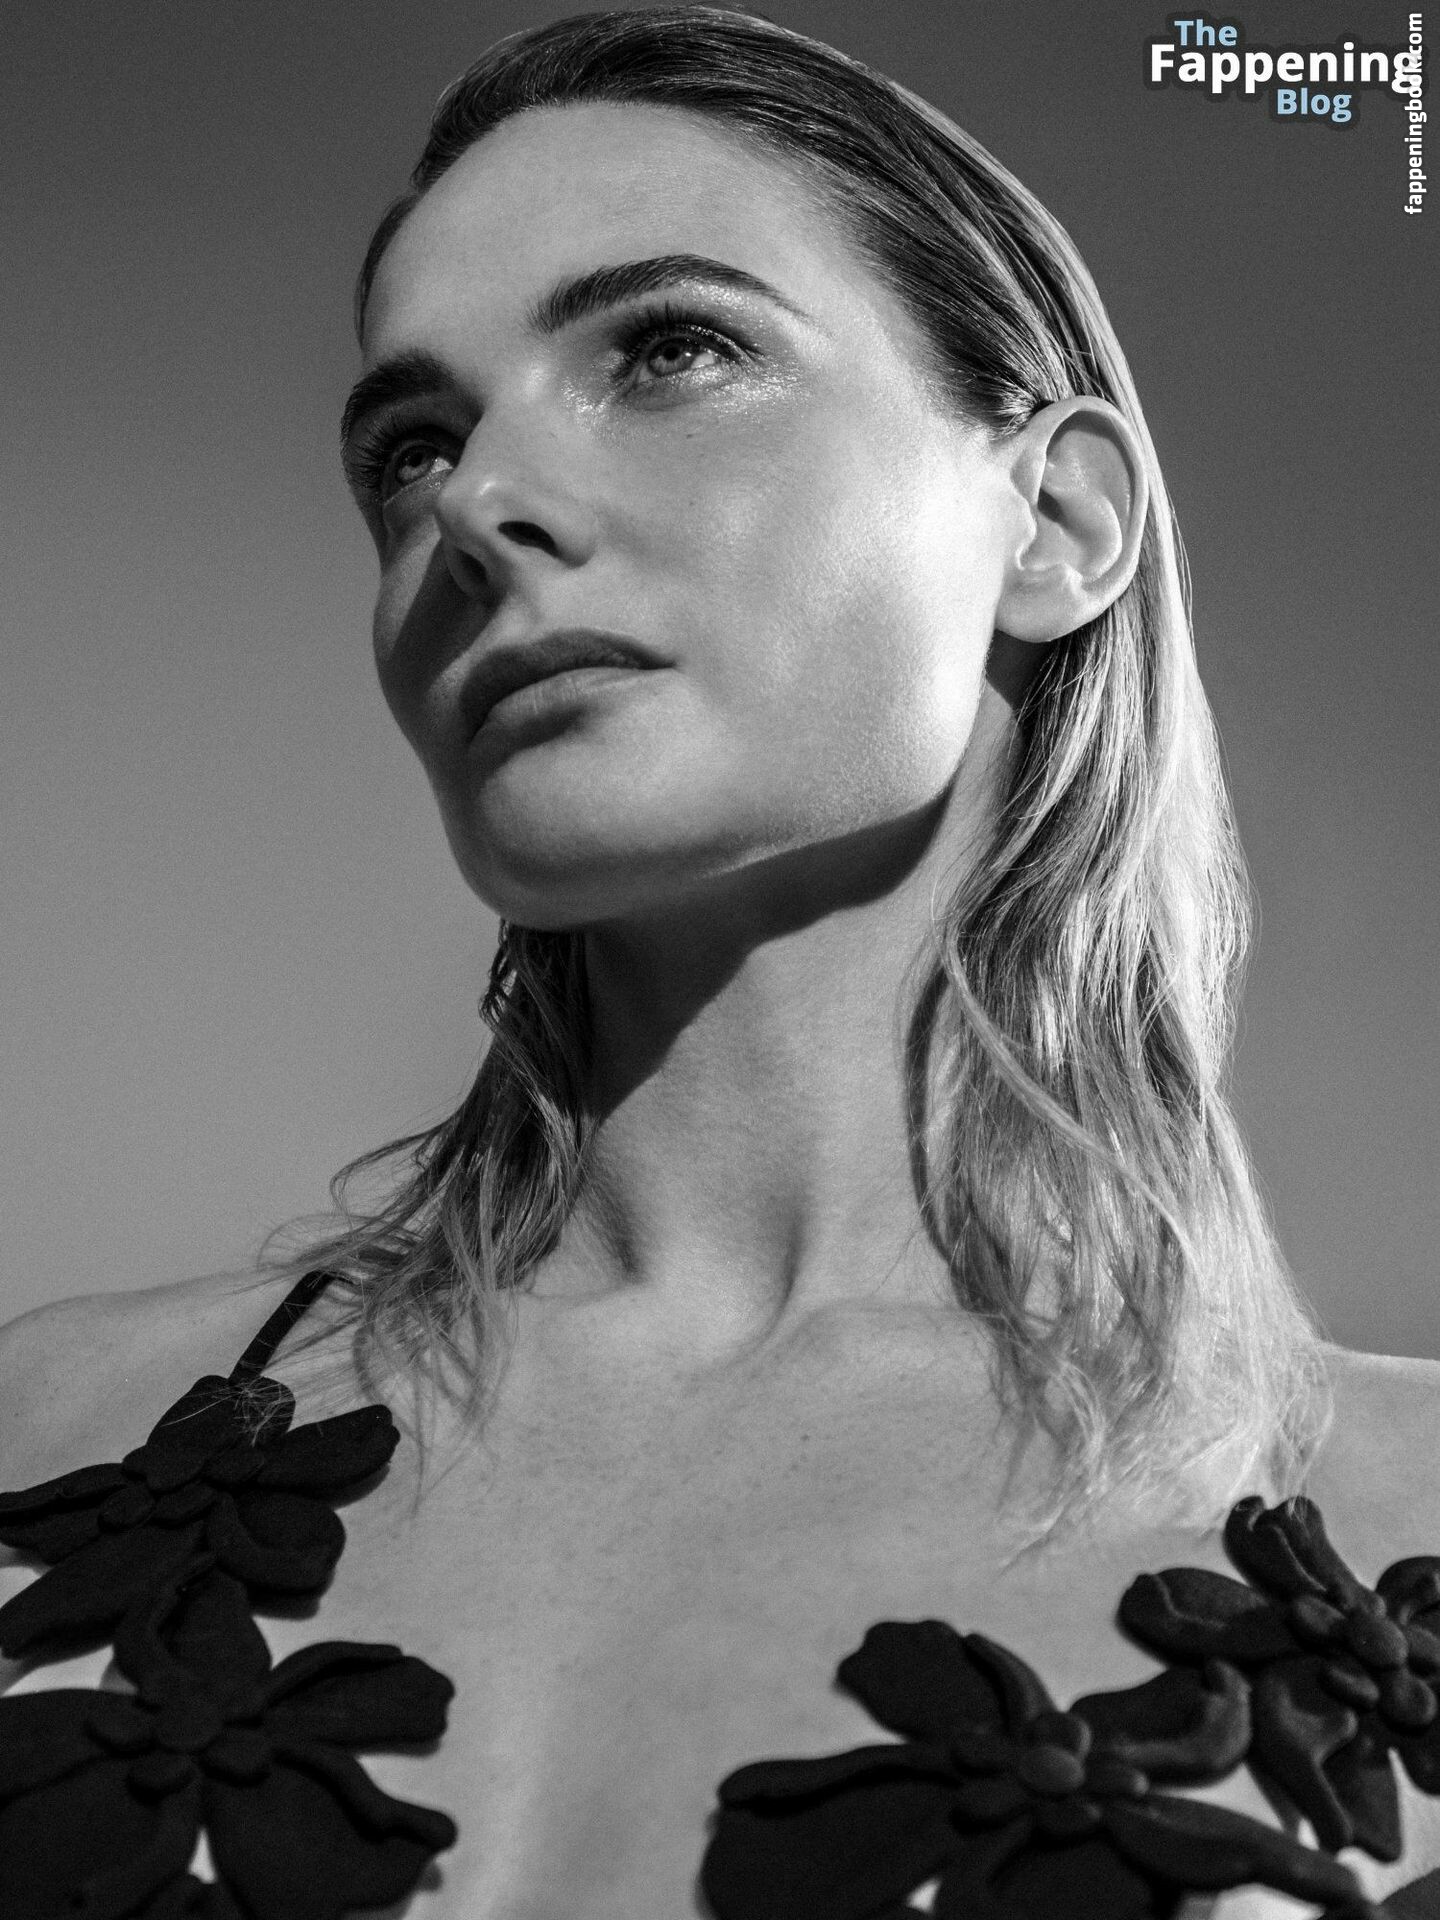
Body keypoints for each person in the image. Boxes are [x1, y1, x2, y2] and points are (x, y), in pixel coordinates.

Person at [2, 10, 1438, 1917]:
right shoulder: (38, 1438)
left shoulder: (1413, 1532)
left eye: (670, 350)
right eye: (414, 445)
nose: (475, 505)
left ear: (1056, 522)